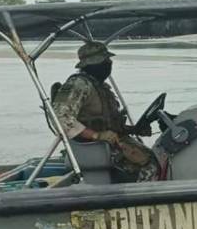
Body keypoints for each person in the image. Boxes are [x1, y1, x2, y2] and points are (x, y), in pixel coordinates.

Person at [51, 41, 157, 182]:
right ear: (93, 63)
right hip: (94, 147)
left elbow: (107, 122)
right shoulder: (78, 84)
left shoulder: (99, 85)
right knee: (150, 164)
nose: (109, 63)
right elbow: (59, 118)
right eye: (105, 60)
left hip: (108, 143)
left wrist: (134, 129)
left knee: (155, 155)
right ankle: (142, 199)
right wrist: (96, 135)